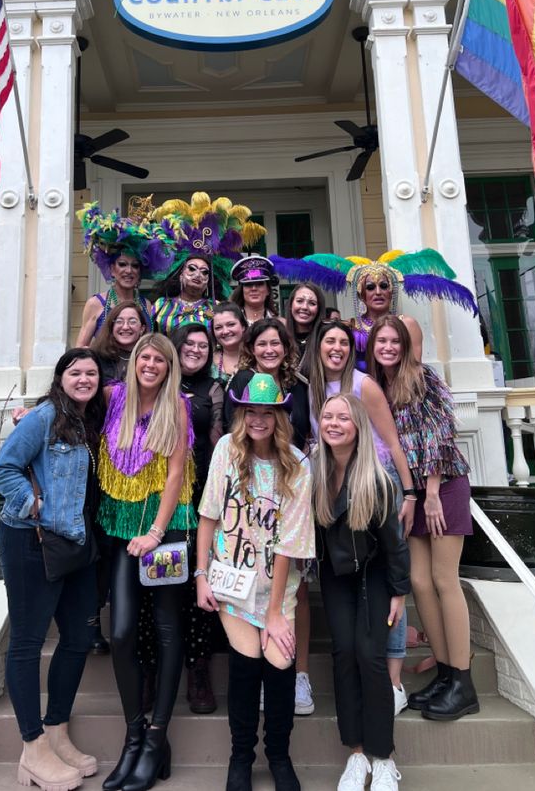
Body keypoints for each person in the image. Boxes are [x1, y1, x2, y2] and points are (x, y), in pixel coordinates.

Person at [0, 348, 106, 791]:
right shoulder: (42, 417)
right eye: (75, 372)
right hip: (29, 539)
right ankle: (33, 746)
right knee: (27, 642)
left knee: (78, 638)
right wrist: (34, 505)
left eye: (91, 373)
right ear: (60, 378)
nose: (84, 379)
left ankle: (57, 730)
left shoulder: (85, 420)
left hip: (75, 543)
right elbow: (4, 468)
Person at [196, 374, 315, 791]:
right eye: (251, 412)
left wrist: (275, 613)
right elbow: (209, 514)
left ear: (280, 416)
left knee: (280, 666)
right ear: (240, 414)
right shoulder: (226, 451)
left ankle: (279, 756)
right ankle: (240, 757)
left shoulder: (298, 465)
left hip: (276, 591)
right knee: (246, 668)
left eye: (267, 413)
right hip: (232, 584)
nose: (258, 420)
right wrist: (200, 575)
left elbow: (289, 543)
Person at [367, 314, 479, 722]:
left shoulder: (423, 377)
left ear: (406, 345)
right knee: (418, 580)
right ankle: (446, 671)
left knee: (445, 579)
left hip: (441, 485)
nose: (389, 348)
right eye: (382, 342)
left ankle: (463, 683)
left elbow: (440, 432)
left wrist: (431, 492)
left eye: (395, 341)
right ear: (372, 346)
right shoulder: (379, 386)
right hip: (410, 493)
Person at [98, 334, 196, 791]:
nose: (151, 364)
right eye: (145, 357)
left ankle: (156, 737)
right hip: (121, 526)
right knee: (120, 633)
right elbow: (68, 396)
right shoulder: (112, 397)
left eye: (159, 358)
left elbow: (176, 473)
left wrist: (156, 533)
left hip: (164, 527)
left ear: (169, 365)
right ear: (134, 362)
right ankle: (133, 736)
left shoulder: (176, 406)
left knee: (166, 627)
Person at [307, 318, 416, 715]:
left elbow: (390, 439)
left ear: (351, 349)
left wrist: (409, 492)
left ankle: (393, 678)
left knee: (388, 573)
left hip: (375, 481)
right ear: (317, 347)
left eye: (342, 342)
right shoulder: (313, 387)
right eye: (328, 341)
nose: (335, 348)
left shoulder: (363, 384)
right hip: (335, 483)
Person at [315, 394, 410, 791]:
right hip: (335, 577)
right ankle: (356, 755)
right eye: (326, 416)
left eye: (343, 418)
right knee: (343, 656)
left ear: (357, 427)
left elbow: (396, 544)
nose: (333, 423)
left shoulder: (377, 479)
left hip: (374, 576)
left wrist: (400, 593)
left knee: (370, 657)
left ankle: (383, 757)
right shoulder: (314, 473)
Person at [138, 324, 224, 714]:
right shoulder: (153, 386)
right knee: (152, 588)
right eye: (188, 344)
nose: (195, 350)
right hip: (151, 501)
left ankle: (198, 669)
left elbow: (222, 437)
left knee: (193, 586)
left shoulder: (212, 390)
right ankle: (150, 670)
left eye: (203, 345)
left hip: (200, 497)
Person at [270, 248, 479, 372]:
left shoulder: (407, 325)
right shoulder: (349, 327)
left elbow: (414, 370)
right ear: (361, 294)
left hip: (399, 401)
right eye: (370, 287)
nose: (378, 292)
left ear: (392, 291)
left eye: (384, 286)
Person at [149, 192, 267, 334]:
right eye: (192, 269)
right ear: (180, 274)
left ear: (209, 280)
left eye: (205, 272)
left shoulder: (217, 308)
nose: (198, 274)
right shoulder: (161, 305)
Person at [76, 200, 175, 344]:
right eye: (122, 264)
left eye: (135, 266)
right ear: (112, 269)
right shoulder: (96, 304)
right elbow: (80, 348)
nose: (129, 271)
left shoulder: (145, 304)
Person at [225, 320, 309, 451]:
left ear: (285, 349)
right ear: (252, 349)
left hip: (292, 463)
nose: (269, 350)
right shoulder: (242, 380)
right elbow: (232, 427)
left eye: (275, 343)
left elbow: (304, 432)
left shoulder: (297, 384)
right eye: (262, 344)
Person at [91, 301, 147, 382]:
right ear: (112, 327)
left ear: (142, 329)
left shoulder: (149, 359)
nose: (125, 327)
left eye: (132, 322)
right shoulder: (96, 357)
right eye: (119, 321)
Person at [230, 255, 281, 325]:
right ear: (241, 290)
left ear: (268, 290)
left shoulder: (281, 323)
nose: (254, 288)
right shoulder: (229, 322)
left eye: (259, 284)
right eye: (248, 284)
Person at [284, 281, 326, 362]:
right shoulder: (281, 338)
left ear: (319, 309)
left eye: (312, 303)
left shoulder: (325, 339)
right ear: (290, 305)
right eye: (299, 301)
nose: (305, 307)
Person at [211, 302, 248, 386]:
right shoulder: (207, 361)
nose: (225, 331)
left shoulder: (256, 357)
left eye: (231, 325)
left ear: (243, 326)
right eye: (218, 327)